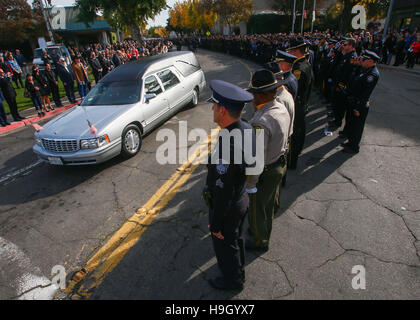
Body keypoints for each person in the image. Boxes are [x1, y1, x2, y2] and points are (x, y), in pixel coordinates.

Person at [204, 79, 254, 291]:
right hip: (242, 196)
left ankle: (233, 281)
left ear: (222, 110)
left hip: (229, 206)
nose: (212, 109)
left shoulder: (228, 144)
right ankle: (239, 270)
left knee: (225, 244)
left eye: (214, 106)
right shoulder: (246, 127)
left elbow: (223, 192)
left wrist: (215, 225)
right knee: (236, 240)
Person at [245, 69, 291, 252]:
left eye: (254, 94)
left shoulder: (261, 122)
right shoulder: (281, 107)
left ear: (262, 95)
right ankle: (263, 229)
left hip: (266, 170)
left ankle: (259, 240)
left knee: (257, 209)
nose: (252, 98)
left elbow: (256, 160)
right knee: (269, 203)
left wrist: (251, 184)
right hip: (279, 161)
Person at [341, 50, 380, 154]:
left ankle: (354, 147)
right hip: (353, 100)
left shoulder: (372, 74)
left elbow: (366, 93)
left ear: (371, 61)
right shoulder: (366, 69)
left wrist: (358, 108)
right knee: (351, 123)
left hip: (360, 104)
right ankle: (350, 142)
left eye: (365, 60)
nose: (362, 61)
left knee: (357, 127)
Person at [286, 38, 312, 170]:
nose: (289, 52)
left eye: (290, 50)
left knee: (295, 133)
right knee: (297, 132)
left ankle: (291, 161)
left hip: (298, 104)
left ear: (296, 51)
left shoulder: (299, 68)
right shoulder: (304, 63)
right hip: (302, 103)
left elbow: (295, 90)